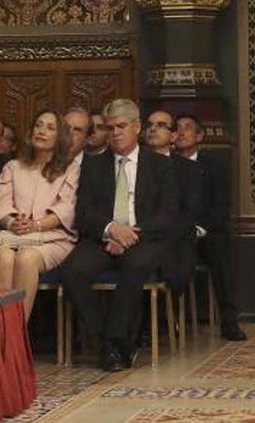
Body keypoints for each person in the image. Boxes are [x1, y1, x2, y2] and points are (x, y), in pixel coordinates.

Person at [61, 98, 179, 371]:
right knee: (73, 271)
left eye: (121, 126)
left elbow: (168, 213)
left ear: (137, 127)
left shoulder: (160, 165)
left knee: (136, 265)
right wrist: (111, 230)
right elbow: (83, 212)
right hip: (103, 237)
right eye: (110, 127)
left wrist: (130, 235)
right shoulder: (93, 165)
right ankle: (108, 341)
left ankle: (114, 342)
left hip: (144, 238)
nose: (115, 133)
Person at [0, 110, 79, 319]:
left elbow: (67, 207)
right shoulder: (13, 166)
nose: (42, 131)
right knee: (3, 256)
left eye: (50, 127)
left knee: (27, 258)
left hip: (52, 238)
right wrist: (12, 223)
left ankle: (15, 337)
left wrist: (35, 225)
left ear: (60, 136)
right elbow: (0, 204)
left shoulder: (70, 168)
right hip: (11, 234)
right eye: (38, 125)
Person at [175, 113, 247, 340]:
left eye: (188, 128)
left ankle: (229, 322)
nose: (182, 132)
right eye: (178, 128)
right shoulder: (165, 165)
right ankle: (159, 323)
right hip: (176, 234)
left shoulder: (214, 166)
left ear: (199, 136)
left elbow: (220, 207)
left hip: (207, 231)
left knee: (219, 251)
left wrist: (199, 229)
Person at [145, 109, 203, 297]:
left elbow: (189, 213)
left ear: (173, 136)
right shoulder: (133, 165)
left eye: (160, 125)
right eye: (150, 125)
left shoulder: (189, 170)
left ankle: (165, 320)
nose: (153, 129)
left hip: (175, 238)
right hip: (140, 238)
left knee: (172, 266)